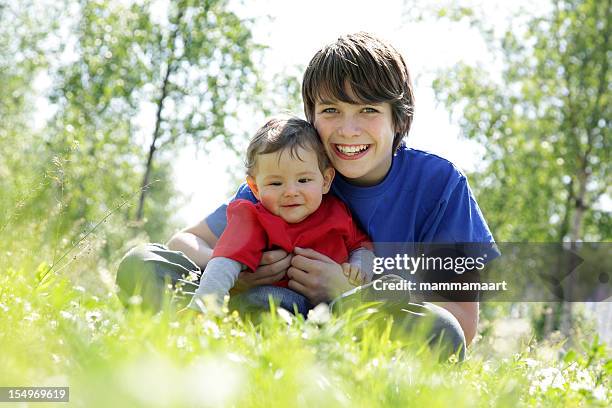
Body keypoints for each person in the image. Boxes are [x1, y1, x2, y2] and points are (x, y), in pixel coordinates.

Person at [117, 32, 497, 359]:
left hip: (354, 328)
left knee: (440, 331)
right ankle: (234, 338)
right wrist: (241, 276)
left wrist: (346, 290)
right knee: (143, 263)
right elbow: (185, 241)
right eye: (331, 109)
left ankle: (303, 352)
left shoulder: (439, 185)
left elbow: (462, 323)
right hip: (259, 299)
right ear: (311, 116)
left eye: (368, 110)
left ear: (398, 118)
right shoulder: (292, 170)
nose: (348, 130)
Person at [186, 116, 372, 315]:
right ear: (255, 188)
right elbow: (224, 262)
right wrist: (202, 307)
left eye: (303, 180)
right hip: (280, 299)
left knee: (368, 307)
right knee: (266, 299)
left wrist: (359, 267)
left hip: (335, 303)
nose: (291, 191)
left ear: (325, 181)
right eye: (275, 183)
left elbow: (363, 246)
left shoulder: (336, 211)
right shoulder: (252, 218)